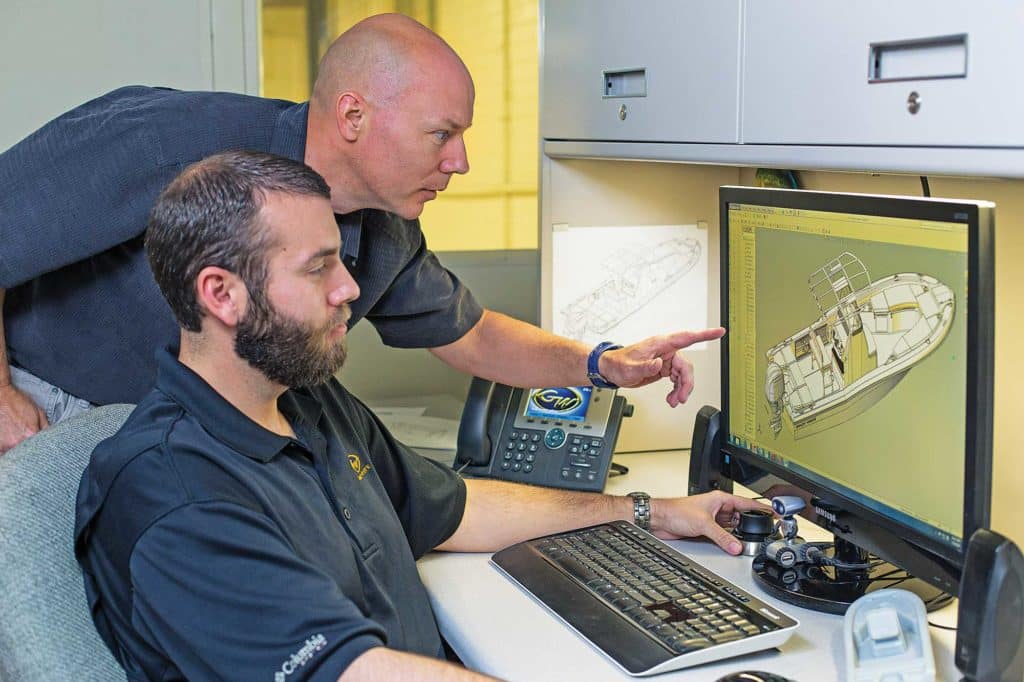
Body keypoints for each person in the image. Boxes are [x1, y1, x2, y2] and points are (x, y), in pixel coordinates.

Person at [74, 151, 762, 681]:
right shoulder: (172, 495)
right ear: (222, 295)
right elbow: (353, 674)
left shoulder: (304, 401)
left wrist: (647, 511)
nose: (350, 289)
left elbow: (456, 509)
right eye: (319, 270)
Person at [0, 12, 723, 454]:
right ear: (353, 118)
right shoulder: (165, 139)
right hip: (39, 402)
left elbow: (470, 336)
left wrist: (602, 363)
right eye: (442, 134)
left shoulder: (382, 231)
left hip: (172, 439)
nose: (461, 161)